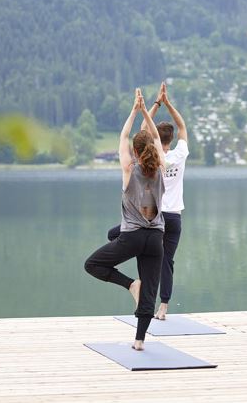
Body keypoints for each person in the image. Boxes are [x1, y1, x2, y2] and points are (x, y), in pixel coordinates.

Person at [84, 88, 166, 351]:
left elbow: (123, 136)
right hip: (155, 238)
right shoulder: (161, 167)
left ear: (135, 151)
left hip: (131, 237)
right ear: (154, 149)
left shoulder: (130, 169)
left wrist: (135, 109)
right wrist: (146, 112)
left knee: (92, 264)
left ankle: (130, 284)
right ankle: (139, 341)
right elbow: (154, 135)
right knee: (150, 290)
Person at [108, 82, 189, 320]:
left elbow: (144, 129)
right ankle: (163, 308)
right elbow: (182, 126)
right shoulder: (179, 155)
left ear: (154, 142)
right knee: (167, 262)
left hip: (154, 217)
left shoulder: (153, 159)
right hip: (174, 218)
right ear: (171, 139)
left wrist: (152, 105)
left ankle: (137, 257)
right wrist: (168, 103)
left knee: (116, 235)